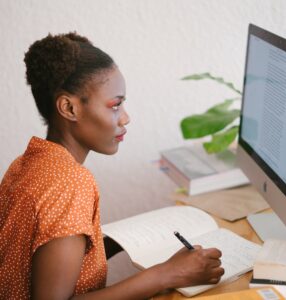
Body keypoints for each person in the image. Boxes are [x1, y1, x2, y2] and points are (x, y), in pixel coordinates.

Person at [0, 32, 224, 300]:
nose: (125, 118)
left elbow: (38, 252)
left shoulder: (26, 163)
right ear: (69, 108)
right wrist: (166, 274)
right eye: (115, 105)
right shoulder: (70, 183)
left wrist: (107, 246)